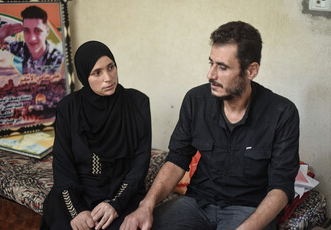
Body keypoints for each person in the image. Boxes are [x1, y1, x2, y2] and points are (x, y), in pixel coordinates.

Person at [120, 21, 300, 230]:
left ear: (251, 71)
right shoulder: (196, 100)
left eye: (222, 67)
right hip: (197, 205)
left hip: (248, 212)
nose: (210, 75)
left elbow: (281, 187)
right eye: (211, 63)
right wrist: (146, 205)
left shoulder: (282, 113)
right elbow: (177, 159)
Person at [40, 41, 152, 230]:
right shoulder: (68, 108)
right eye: (97, 73)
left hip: (122, 189)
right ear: (85, 75)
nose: (108, 78)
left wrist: (116, 204)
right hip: (77, 191)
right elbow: (62, 164)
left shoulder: (137, 103)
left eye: (111, 67)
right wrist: (77, 211)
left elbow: (140, 162)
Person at [0, 5, 63, 76]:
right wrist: (0, 37)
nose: (32, 38)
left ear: (47, 31)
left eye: (37, 31)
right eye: (27, 30)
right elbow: (0, 45)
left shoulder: (58, 60)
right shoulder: (23, 48)